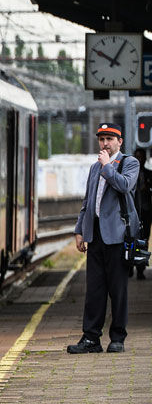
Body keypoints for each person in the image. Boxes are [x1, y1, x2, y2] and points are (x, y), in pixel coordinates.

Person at [68, 122, 139, 354]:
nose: (105, 143)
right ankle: (91, 338)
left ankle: (117, 338)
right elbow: (87, 202)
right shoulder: (94, 168)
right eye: (102, 139)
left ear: (120, 141)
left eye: (110, 139)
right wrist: (79, 230)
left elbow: (125, 186)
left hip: (118, 236)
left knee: (118, 290)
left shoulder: (129, 163)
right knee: (94, 290)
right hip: (96, 235)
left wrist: (108, 166)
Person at [133, 147, 151, 279]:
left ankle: (141, 269)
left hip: (145, 212)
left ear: (145, 159)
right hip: (132, 212)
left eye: (141, 157)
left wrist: (148, 187)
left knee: (144, 241)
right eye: (137, 157)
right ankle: (129, 266)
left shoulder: (149, 174)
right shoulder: (129, 174)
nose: (139, 160)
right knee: (130, 240)